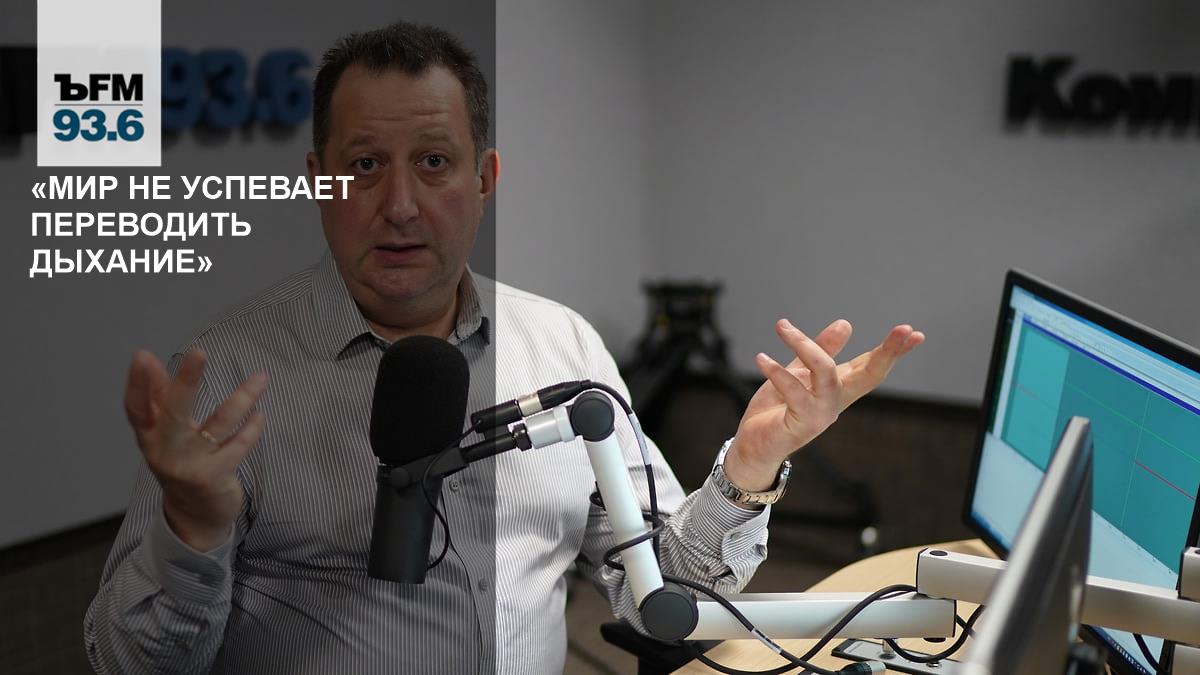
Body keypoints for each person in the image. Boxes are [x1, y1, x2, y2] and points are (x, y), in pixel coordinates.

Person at [84, 21, 924, 675]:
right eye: (365, 164)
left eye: (434, 162)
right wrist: (192, 532)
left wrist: (747, 468)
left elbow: (668, 599)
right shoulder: (227, 374)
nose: (400, 204)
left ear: (485, 179)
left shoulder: (563, 345)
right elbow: (128, 663)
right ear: (319, 180)